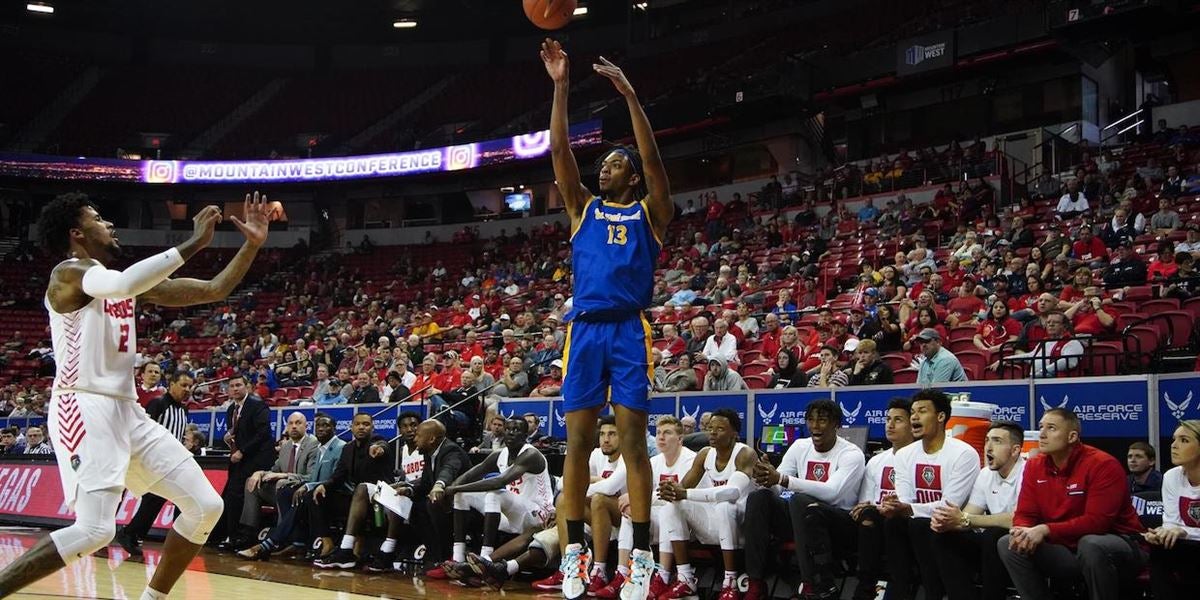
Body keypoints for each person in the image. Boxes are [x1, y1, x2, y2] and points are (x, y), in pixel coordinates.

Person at [0, 192, 268, 600]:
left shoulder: (124, 285)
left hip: (128, 412)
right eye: (98, 218)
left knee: (205, 507)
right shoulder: (69, 274)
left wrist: (252, 245)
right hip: (82, 405)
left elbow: (214, 289)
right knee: (96, 529)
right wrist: (195, 242)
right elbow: (123, 282)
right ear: (77, 233)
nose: (109, 224)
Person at [543, 37, 673, 600]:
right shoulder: (582, 210)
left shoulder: (652, 211)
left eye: (616, 164)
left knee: (635, 443)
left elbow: (653, 160)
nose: (606, 170)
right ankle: (574, 554)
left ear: (633, 178)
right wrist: (562, 87)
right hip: (585, 330)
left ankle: (640, 557)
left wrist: (631, 98)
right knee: (576, 445)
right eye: (604, 164)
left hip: (627, 328)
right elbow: (560, 153)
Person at [998, 408, 1145, 600]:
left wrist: (1045, 529)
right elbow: (1026, 512)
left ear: (1072, 436)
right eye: (1041, 427)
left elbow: (1097, 523)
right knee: (1009, 544)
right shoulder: (1034, 466)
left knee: (1091, 544)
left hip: (1119, 545)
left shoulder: (1103, 464)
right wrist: (1021, 530)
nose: (1042, 434)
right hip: (1067, 547)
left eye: (1051, 428)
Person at [745, 399, 865, 600]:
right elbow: (778, 484)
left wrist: (781, 479)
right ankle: (755, 582)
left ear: (836, 424)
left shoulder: (851, 454)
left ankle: (814, 583)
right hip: (800, 518)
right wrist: (766, 477)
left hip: (839, 523)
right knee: (759, 497)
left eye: (822, 420)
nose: (815, 426)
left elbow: (832, 492)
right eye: (810, 420)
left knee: (800, 500)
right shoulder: (800, 446)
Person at [881, 389, 980, 600]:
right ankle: (899, 593)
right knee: (892, 522)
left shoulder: (964, 454)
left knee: (917, 524)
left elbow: (949, 506)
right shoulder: (905, 454)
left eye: (922, 411)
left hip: (957, 528)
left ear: (941, 416)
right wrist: (894, 505)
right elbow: (905, 498)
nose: (914, 416)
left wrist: (909, 509)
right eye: (913, 412)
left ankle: (932, 594)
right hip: (920, 525)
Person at [430, 418, 553, 579]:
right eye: (508, 429)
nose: (511, 432)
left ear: (525, 435)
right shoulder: (500, 454)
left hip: (538, 515)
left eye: (516, 430)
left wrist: (455, 488)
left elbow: (499, 482)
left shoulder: (531, 454)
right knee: (463, 494)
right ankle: (457, 557)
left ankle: (483, 560)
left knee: (494, 493)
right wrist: (450, 489)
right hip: (512, 515)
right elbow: (473, 473)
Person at [657, 409, 756, 600]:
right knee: (672, 505)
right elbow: (682, 487)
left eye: (720, 429)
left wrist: (684, 493)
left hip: (743, 527)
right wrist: (669, 491)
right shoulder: (704, 454)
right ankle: (685, 577)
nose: (713, 433)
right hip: (717, 525)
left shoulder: (745, 454)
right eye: (711, 428)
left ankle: (731, 582)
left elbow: (732, 492)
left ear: (734, 434)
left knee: (725, 506)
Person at [929, 421, 1026, 600]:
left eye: (997, 441)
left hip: (1022, 544)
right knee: (942, 536)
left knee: (995, 534)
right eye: (987, 440)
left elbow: (1018, 519)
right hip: (991, 546)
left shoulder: (1027, 472)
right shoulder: (985, 474)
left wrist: (965, 519)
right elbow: (968, 514)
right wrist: (948, 522)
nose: (988, 446)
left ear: (1015, 450)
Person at [116, 371, 197, 556]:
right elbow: (142, 430)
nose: (187, 389)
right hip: (151, 459)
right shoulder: (158, 403)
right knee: (151, 498)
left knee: (159, 498)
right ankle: (127, 533)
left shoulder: (184, 410)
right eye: (183, 385)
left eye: (189, 386)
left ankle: (132, 533)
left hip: (171, 461)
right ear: (172, 384)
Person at [302, 413, 394, 561]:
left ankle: (352, 547)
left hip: (378, 501)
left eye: (366, 424)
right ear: (351, 427)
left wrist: (379, 448)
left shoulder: (378, 441)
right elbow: (339, 476)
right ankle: (327, 543)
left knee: (362, 489)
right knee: (315, 494)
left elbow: (383, 445)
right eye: (357, 424)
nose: (361, 427)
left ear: (372, 427)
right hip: (356, 498)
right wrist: (324, 485)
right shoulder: (348, 448)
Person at [851, 398, 915, 600]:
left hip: (906, 521)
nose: (890, 424)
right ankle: (865, 587)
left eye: (898, 420)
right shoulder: (877, 461)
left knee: (892, 520)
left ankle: (899, 590)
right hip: (876, 520)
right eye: (888, 419)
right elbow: (865, 502)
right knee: (868, 514)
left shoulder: (919, 458)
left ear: (913, 425)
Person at [217, 373, 274, 548]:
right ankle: (229, 535)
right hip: (238, 460)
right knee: (230, 496)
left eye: (238, 385)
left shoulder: (258, 406)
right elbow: (236, 434)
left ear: (247, 386)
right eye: (232, 386)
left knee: (236, 495)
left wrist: (243, 451)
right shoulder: (230, 409)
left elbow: (262, 434)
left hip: (257, 459)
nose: (235, 389)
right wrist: (229, 440)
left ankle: (238, 537)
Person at [1144, 419, 1200, 600]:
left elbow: (1180, 529)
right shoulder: (1172, 476)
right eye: (1174, 439)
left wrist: (1182, 531)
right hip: (1190, 549)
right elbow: (1171, 523)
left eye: (1184, 440)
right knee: (1160, 549)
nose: (1174, 446)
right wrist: (1162, 533)